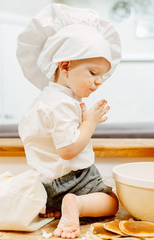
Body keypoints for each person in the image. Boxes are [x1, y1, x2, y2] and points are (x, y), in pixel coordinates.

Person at [16, 3, 121, 239]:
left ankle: (61, 205)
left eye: (102, 76)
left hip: (48, 186)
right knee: (112, 202)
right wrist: (90, 123)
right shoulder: (61, 104)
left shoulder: (46, 99)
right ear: (65, 65)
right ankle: (75, 204)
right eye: (93, 73)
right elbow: (68, 150)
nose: (98, 82)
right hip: (74, 180)